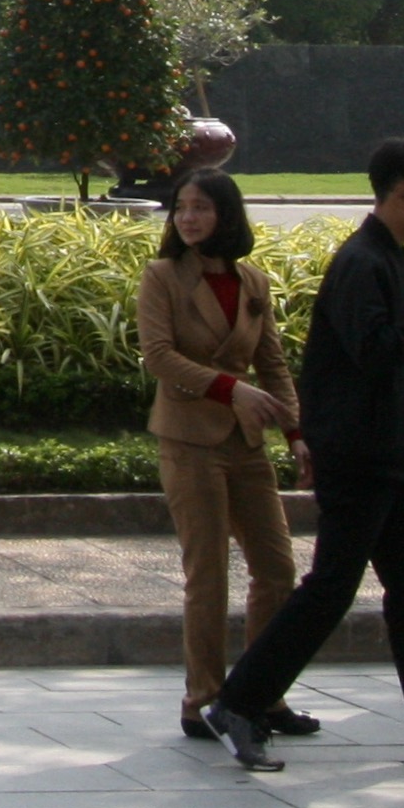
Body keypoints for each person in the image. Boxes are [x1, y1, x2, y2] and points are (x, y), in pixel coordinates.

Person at [204, 136, 404, 770]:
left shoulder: (385, 256)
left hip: (385, 456)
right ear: (402, 194)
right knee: (330, 588)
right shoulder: (362, 262)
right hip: (359, 456)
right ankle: (239, 701)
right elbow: (375, 350)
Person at [136, 167, 318, 745]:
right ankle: (203, 700)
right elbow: (158, 356)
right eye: (181, 207)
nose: (188, 218)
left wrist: (295, 433)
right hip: (189, 439)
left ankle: (260, 693)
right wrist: (228, 388)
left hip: (245, 442)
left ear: (226, 216)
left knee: (277, 570)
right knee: (208, 573)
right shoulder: (162, 276)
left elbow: (274, 364)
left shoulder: (252, 281)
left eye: (201, 208)